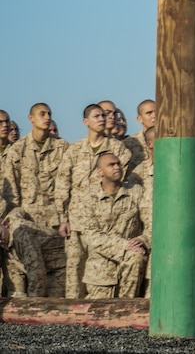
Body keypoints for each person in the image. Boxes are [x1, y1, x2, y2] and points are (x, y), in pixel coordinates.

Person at [57, 103, 133, 298]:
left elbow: (120, 181)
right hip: (77, 219)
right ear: (86, 122)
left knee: (100, 268)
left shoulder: (118, 149)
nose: (101, 119)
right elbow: (63, 182)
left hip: (104, 220)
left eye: (103, 116)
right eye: (96, 116)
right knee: (74, 267)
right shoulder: (74, 150)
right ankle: (72, 310)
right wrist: (62, 217)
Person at [2, 103, 69, 297]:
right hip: (27, 226)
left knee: (57, 284)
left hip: (55, 226)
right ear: (31, 118)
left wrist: (65, 218)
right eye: (42, 114)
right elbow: (10, 195)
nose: (47, 117)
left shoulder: (62, 147)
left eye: (49, 113)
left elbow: (68, 186)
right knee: (26, 279)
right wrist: (12, 231)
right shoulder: (18, 150)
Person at [70, 152, 148, 299]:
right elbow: (92, 235)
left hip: (131, 266)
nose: (117, 167)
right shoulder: (88, 198)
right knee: (99, 316)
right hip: (100, 271)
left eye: (118, 163)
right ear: (100, 172)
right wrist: (123, 245)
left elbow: (150, 222)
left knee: (136, 258)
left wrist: (143, 239)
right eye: (111, 165)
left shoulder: (136, 192)